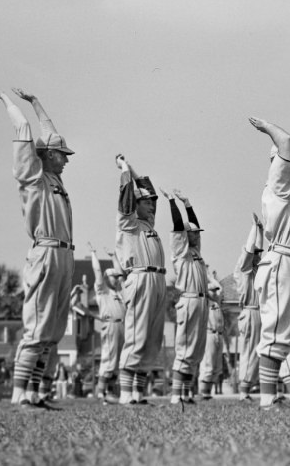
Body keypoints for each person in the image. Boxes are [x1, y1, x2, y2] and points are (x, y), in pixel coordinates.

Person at [0, 87, 75, 410]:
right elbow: (25, 132)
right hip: (45, 252)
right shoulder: (33, 176)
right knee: (38, 325)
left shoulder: (55, 179)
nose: (65, 160)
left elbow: (50, 135)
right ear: (46, 155)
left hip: (64, 255)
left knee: (54, 329)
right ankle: (20, 393)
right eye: (62, 155)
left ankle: (37, 391)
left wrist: (36, 102)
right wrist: (6, 99)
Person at [248, 117, 290, 409]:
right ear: (283, 163)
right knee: (275, 330)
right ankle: (266, 400)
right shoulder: (279, 184)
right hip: (280, 259)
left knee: (284, 331)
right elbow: (285, 142)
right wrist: (267, 127)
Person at [113, 154, 167, 405]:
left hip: (157, 281)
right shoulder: (129, 223)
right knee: (136, 335)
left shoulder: (149, 225)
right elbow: (126, 199)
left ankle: (138, 392)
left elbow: (147, 189)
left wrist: (134, 170)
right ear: (136, 205)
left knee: (151, 338)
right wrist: (124, 171)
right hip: (139, 278)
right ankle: (125, 392)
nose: (151, 205)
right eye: (146, 203)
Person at [159, 188, 211, 406]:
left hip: (201, 300)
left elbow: (191, 225)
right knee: (185, 347)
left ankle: (186, 393)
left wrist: (188, 203)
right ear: (185, 236)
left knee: (196, 348)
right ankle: (176, 395)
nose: (197, 234)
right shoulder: (180, 250)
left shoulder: (196, 251)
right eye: (193, 232)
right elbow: (180, 227)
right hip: (188, 300)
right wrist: (172, 202)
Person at [88, 243, 125, 404]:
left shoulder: (119, 292)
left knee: (117, 362)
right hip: (110, 325)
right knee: (109, 360)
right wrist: (93, 254)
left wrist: (113, 257)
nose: (116, 279)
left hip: (122, 326)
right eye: (113, 277)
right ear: (106, 278)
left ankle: (109, 393)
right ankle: (101, 394)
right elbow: (97, 271)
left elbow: (122, 275)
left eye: (116, 277)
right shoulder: (102, 291)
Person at [234, 214, 264, 401]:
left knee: (257, 353)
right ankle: (243, 391)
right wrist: (254, 229)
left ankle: (248, 387)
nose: (258, 255)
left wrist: (260, 230)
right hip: (250, 312)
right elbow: (249, 250)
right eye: (256, 253)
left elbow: (258, 250)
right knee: (249, 352)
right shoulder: (244, 270)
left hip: (259, 313)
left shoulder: (256, 270)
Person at [198, 285, 224, 399]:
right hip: (208, 333)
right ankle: (203, 393)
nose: (214, 292)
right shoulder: (204, 302)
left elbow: (221, 289)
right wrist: (207, 276)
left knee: (217, 367)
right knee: (207, 364)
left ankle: (208, 392)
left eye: (215, 290)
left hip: (219, 334)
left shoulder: (216, 303)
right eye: (212, 290)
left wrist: (212, 279)